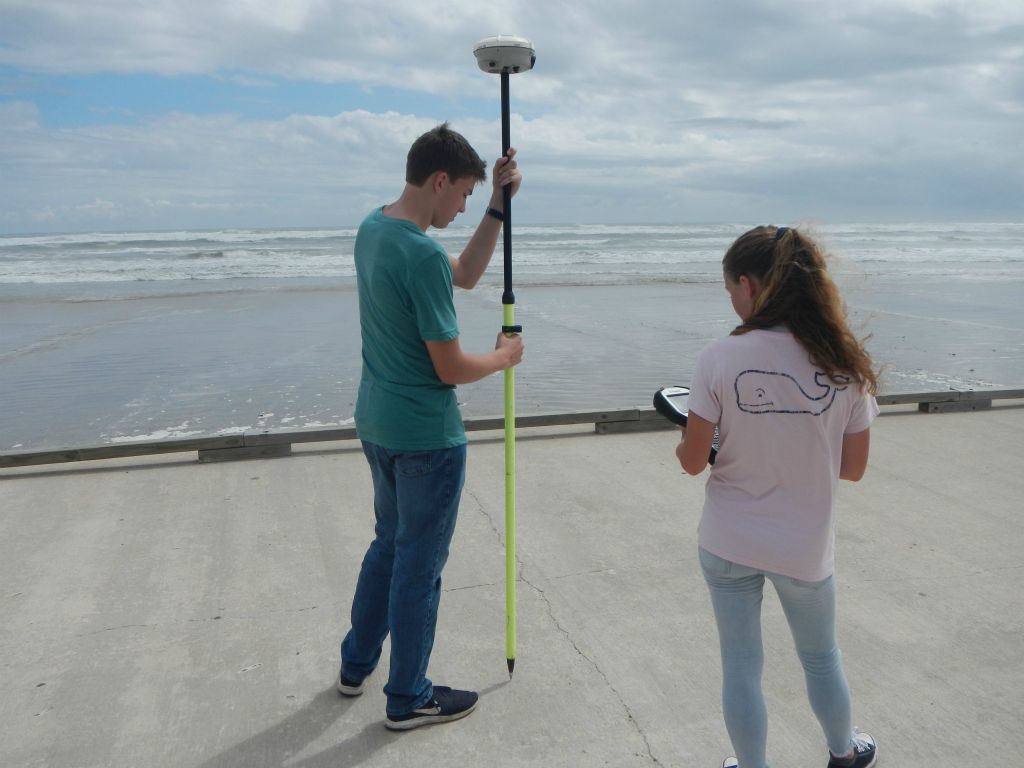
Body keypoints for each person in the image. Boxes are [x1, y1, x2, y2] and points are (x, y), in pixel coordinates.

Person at [338, 123, 524, 731]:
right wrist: (503, 357)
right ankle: (408, 697)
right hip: (424, 436)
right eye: (466, 193)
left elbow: (465, 274)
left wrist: (498, 203)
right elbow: (449, 367)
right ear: (440, 181)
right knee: (419, 566)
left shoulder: (376, 229)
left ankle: (355, 665)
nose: (465, 205)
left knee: (389, 545)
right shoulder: (418, 253)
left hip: (377, 423)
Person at [675, 226, 880, 768]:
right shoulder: (843, 363)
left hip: (728, 542)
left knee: (741, 665)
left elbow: (694, 461)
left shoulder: (718, 358)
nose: (733, 303)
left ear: (748, 284)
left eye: (730, 291)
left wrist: (696, 445)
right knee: (820, 657)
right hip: (803, 548)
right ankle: (843, 753)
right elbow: (853, 469)